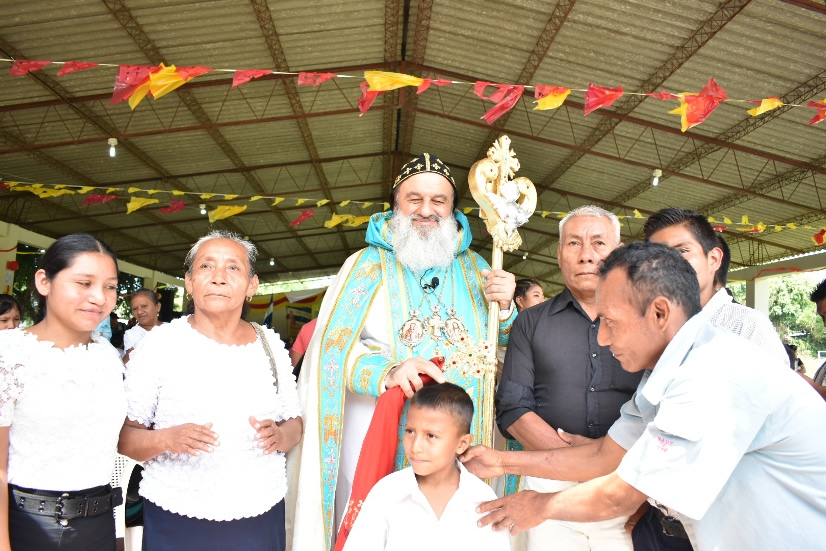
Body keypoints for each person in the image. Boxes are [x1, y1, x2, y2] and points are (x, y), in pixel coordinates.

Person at [465, 242, 826, 551]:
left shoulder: (711, 372)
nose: (603, 339)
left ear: (659, 313)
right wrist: (501, 462)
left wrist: (540, 505)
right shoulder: (664, 375)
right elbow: (603, 455)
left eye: (611, 322)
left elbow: (621, 494)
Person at [288, 153, 517, 551]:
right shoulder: (365, 265)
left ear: (452, 210)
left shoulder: (478, 267)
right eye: (414, 199)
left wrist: (508, 308)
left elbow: (501, 349)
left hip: (463, 435)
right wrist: (389, 372)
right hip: (383, 429)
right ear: (395, 205)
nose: (426, 210)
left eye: (438, 201)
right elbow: (330, 349)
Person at [118, 231, 302, 551]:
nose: (218, 277)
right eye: (206, 266)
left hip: (260, 511)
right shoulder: (159, 345)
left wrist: (280, 436)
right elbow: (125, 438)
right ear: (189, 283)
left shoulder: (269, 344)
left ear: (252, 285)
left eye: (233, 268)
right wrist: (167, 439)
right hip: (178, 516)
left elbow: (295, 423)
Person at [496, 206, 642, 551]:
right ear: (560, 253)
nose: (586, 255)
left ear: (619, 252)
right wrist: (577, 462)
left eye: (598, 243)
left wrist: (604, 461)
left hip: (627, 486)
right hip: (548, 486)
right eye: (574, 243)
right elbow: (513, 407)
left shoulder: (645, 318)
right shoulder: (530, 322)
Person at [0, 233, 125, 550]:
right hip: (31, 526)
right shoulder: (9, 355)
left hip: (100, 523)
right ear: (44, 281)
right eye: (84, 283)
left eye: (110, 286)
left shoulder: (107, 356)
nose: (99, 297)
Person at [342, 383, 509, 551]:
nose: (415, 447)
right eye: (410, 431)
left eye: (431, 435)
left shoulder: (482, 498)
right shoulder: (387, 492)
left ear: (462, 444)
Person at [122, 288, 164, 363]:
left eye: (144, 306)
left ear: (157, 307)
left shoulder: (171, 328)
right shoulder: (132, 334)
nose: (139, 312)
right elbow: (130, 362)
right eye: (135, 308)